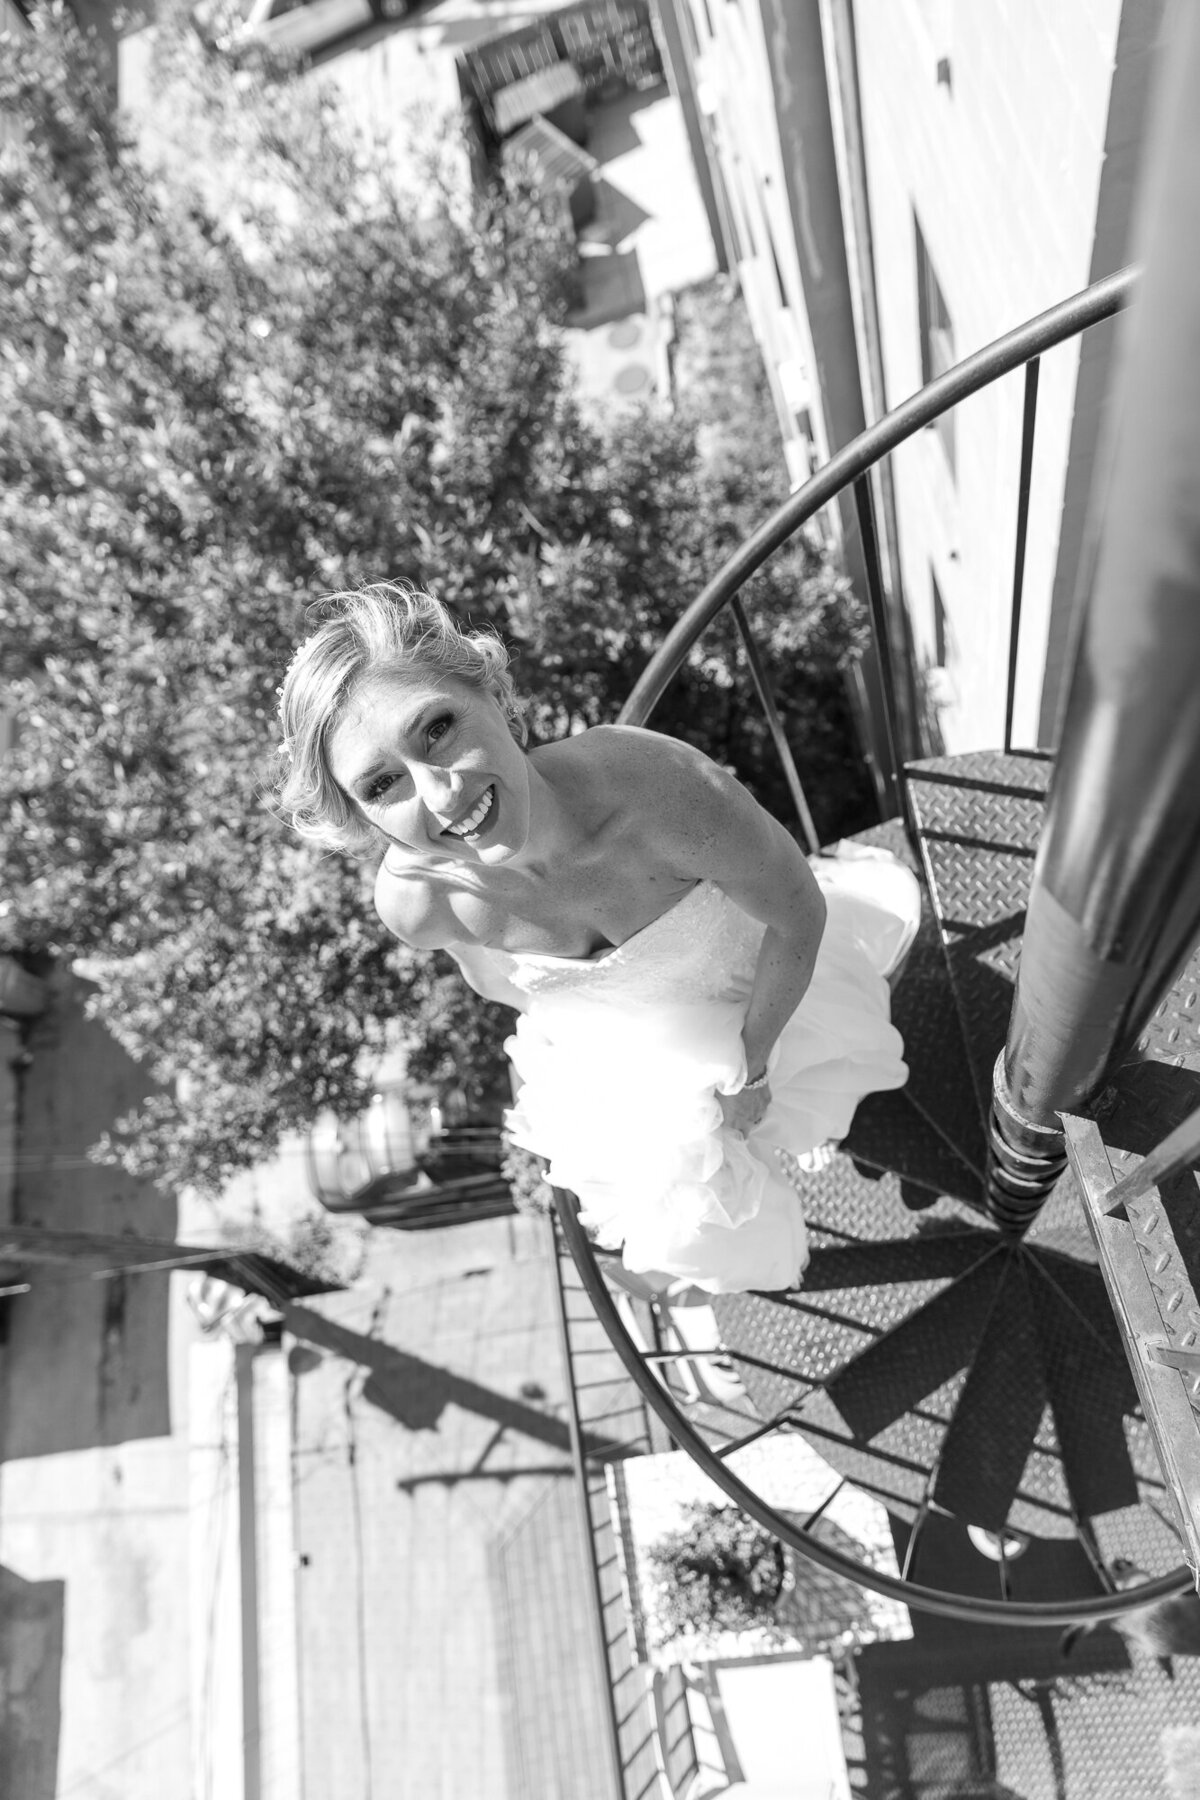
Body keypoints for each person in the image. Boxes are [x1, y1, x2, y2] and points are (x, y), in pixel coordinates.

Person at [276, 582, 920, 1293]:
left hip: (777, 1002)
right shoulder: (419, 906)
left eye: (436, 728)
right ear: (363, 820)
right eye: (381, 785)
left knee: (849, 1112)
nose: (440, 794)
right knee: (670, 1247)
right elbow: (510, 992)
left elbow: (797, 910)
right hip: (634, 1059)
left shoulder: (659, 790)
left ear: (492, 692)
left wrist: (753, 1069)